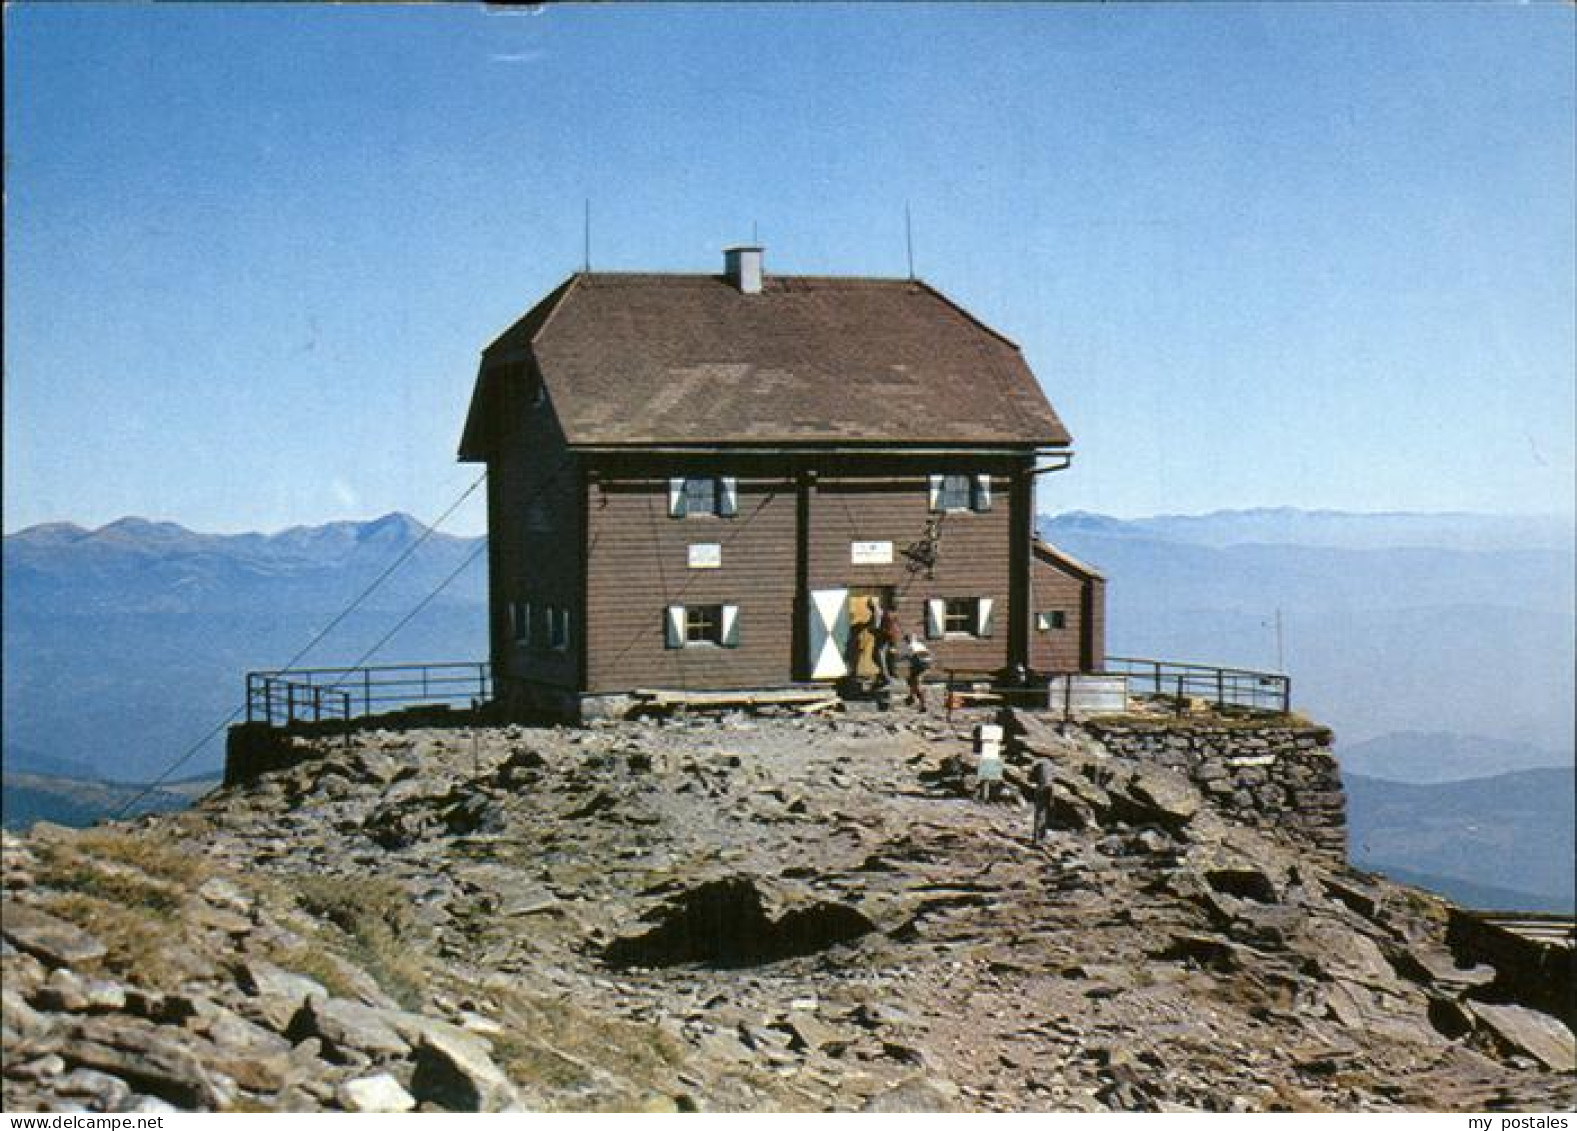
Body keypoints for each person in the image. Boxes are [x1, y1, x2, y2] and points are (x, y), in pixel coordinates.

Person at [900, 632, 933, 710]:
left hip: (919, 667)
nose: (906, 642)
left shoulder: (911, 646)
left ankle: (923, 704)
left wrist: (898, 658)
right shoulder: (920, 644)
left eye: (906, 640)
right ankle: (911, 697)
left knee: (916, 685)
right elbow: (927, 655)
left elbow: (908, 656)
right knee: (911, 681)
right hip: (923, 666)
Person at [1031, 755, 1056, 844]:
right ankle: (1042, 837)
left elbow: (1031, 778)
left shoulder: (1039, 763)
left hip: (1041, 788)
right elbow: (1052, 780)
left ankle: (1037, 838)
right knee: (1045, 814)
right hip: (1049, 789)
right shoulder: (1052, 766)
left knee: (1039, 814)